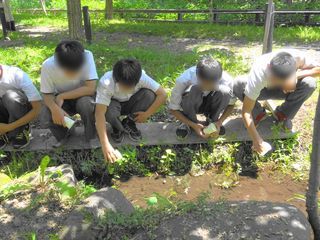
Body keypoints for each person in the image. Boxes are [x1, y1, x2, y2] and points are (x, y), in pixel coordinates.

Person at [233, 49, 319, 155]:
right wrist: (256, 139)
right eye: (272, 77)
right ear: (269, 67)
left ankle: (283, 114)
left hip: (286, 89)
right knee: (238, 84)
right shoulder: (259, 73)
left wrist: (297, 76)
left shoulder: (297, 57)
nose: (273, 81)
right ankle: (259, 113)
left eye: (277, 80)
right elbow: (246, 111)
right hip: (262, 90)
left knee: (309, 83)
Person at [95, 58, 167, 162]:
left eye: (131, 86)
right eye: (124, 86)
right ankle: (116, 127)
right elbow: (99, 114)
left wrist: (147, 114)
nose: (128, 89)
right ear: (116, 79)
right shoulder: (106, 83)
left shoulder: (141, 77)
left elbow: (163, 94)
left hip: (132, 102)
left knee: (149, 95)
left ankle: (129, 122)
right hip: (113, 104)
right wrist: (105, 144)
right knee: (109, 112)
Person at [40, 40, 98, 147]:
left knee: (86, 104)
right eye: (70, 71)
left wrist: (62, 96)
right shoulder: (48, 66)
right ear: (58, 64)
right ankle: (64, 134)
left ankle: (90, 135)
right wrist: (55, 109)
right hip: (61, 101)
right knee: (46, 114)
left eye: (77, 69)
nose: (74, 73)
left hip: (83, 96)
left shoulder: (87, 56)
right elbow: (46, 94)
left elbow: (90, 88)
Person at [169, 57, 236, 139]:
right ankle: (187, 122)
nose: (207, 88)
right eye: (204, 85)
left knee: (225, 91)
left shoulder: (227, 80)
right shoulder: (183, 80)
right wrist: (193, 125)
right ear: (197, 77)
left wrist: (220, 122)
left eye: (212, 86)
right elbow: (173, 108)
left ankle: (213, 121)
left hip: (211, 102)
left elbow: (231, 105)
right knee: (192, 90)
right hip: (191, 103)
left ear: (219, 78)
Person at [0, 64, 42, 149]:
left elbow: (37, 109)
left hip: (21, 110)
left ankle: (22, 128)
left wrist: (9, 127)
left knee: (10, 96)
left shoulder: (16, 74)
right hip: (4, 111)